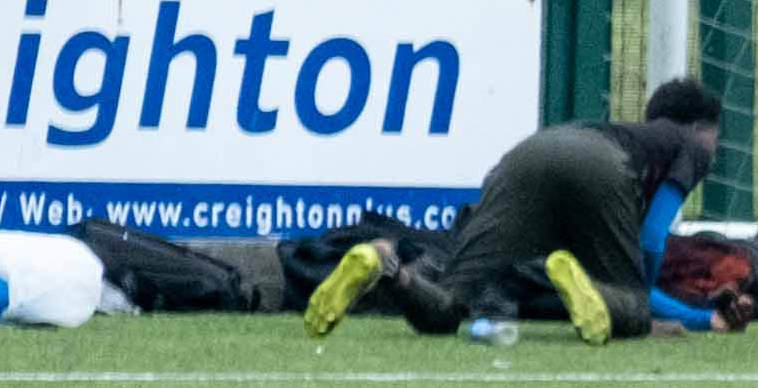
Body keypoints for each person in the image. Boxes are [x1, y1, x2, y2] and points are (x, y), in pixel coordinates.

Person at [304, 78, 731, 344]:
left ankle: (385, 264)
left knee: (448, 306)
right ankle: (592, 291)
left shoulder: (628, 132)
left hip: (527, 156)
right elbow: (654, 237)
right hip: (600, 167)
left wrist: (698, 313)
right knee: (632, 306)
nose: (714, 148)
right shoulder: (691, 147)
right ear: (699, 128)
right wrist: (653, 306)